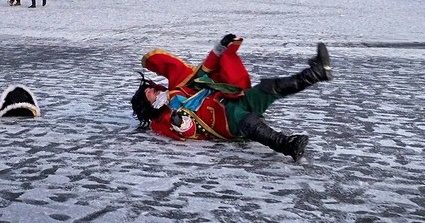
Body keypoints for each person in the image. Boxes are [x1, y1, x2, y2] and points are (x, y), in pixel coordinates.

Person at [131, 35, 333, 162]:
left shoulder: (175, 91)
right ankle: (287, 144)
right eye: (150, 94)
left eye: (153, 89)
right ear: (147, 105)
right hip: (223, 121)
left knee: (270, 88)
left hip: (230, 98)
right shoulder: (161, 120)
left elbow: (201, 72)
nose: (155, 91)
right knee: (245, 120)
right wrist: (181, 123)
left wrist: (219, 49)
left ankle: (316, 72)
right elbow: (187, 131)